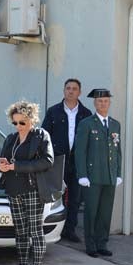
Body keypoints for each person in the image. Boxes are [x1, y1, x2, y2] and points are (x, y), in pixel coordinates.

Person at [0, 100, 53, 265]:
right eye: (15, 123)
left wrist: (16, 166)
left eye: (22, 122)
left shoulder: (40, 136)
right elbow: (1, 158)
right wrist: (1, 165)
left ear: (32, 120)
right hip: (13, 189)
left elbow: (47, 161)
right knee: (20, 231)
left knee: (35, 231)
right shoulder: (11, 139)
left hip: (32, 189)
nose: (18, 126)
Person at [73, 87, 122, 258]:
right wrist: (82, 175)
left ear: (109, 103)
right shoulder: (87, 124)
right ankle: (91, 244)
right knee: (91, 211)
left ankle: (102, 243)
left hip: (109, 175)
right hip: (92, 176)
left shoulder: (115, 124)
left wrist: (118, 172)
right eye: (100, 101)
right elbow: (80, 152)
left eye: (106, 101)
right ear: (95, 103)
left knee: (105, 212)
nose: (103, 104)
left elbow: (118, 151)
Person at [42, 77, 91, 243]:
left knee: (76, 197)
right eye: (68, 88)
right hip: (58, 160)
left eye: (74, 89)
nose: (71, 91)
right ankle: (57, 229)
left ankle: (70, 230)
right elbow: (45, 136)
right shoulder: (53, 111)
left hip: (77, 161)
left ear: (80, 92)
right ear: (64, 91)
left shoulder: (86, 114)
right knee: (57, 195)